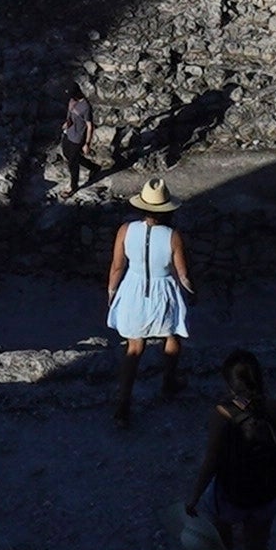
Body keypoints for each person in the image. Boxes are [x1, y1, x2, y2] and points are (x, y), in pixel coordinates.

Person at [190, 351, 276, 550]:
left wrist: (194, 497)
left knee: (222, 526)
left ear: (229, 383)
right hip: (266, 493)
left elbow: (211, 461)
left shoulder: (222, 413)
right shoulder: (272, 407)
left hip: (231, 493)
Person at [102, 179, 192, 425]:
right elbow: (182, 273)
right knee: (172, 335)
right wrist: (191, 291)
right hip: (164, 289)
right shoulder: (173, 236)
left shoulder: (125, 230)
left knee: (133, 347)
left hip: (134, 288)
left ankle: (123, 402)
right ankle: (169, 382)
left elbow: (117, 266)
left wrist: (112, 292)